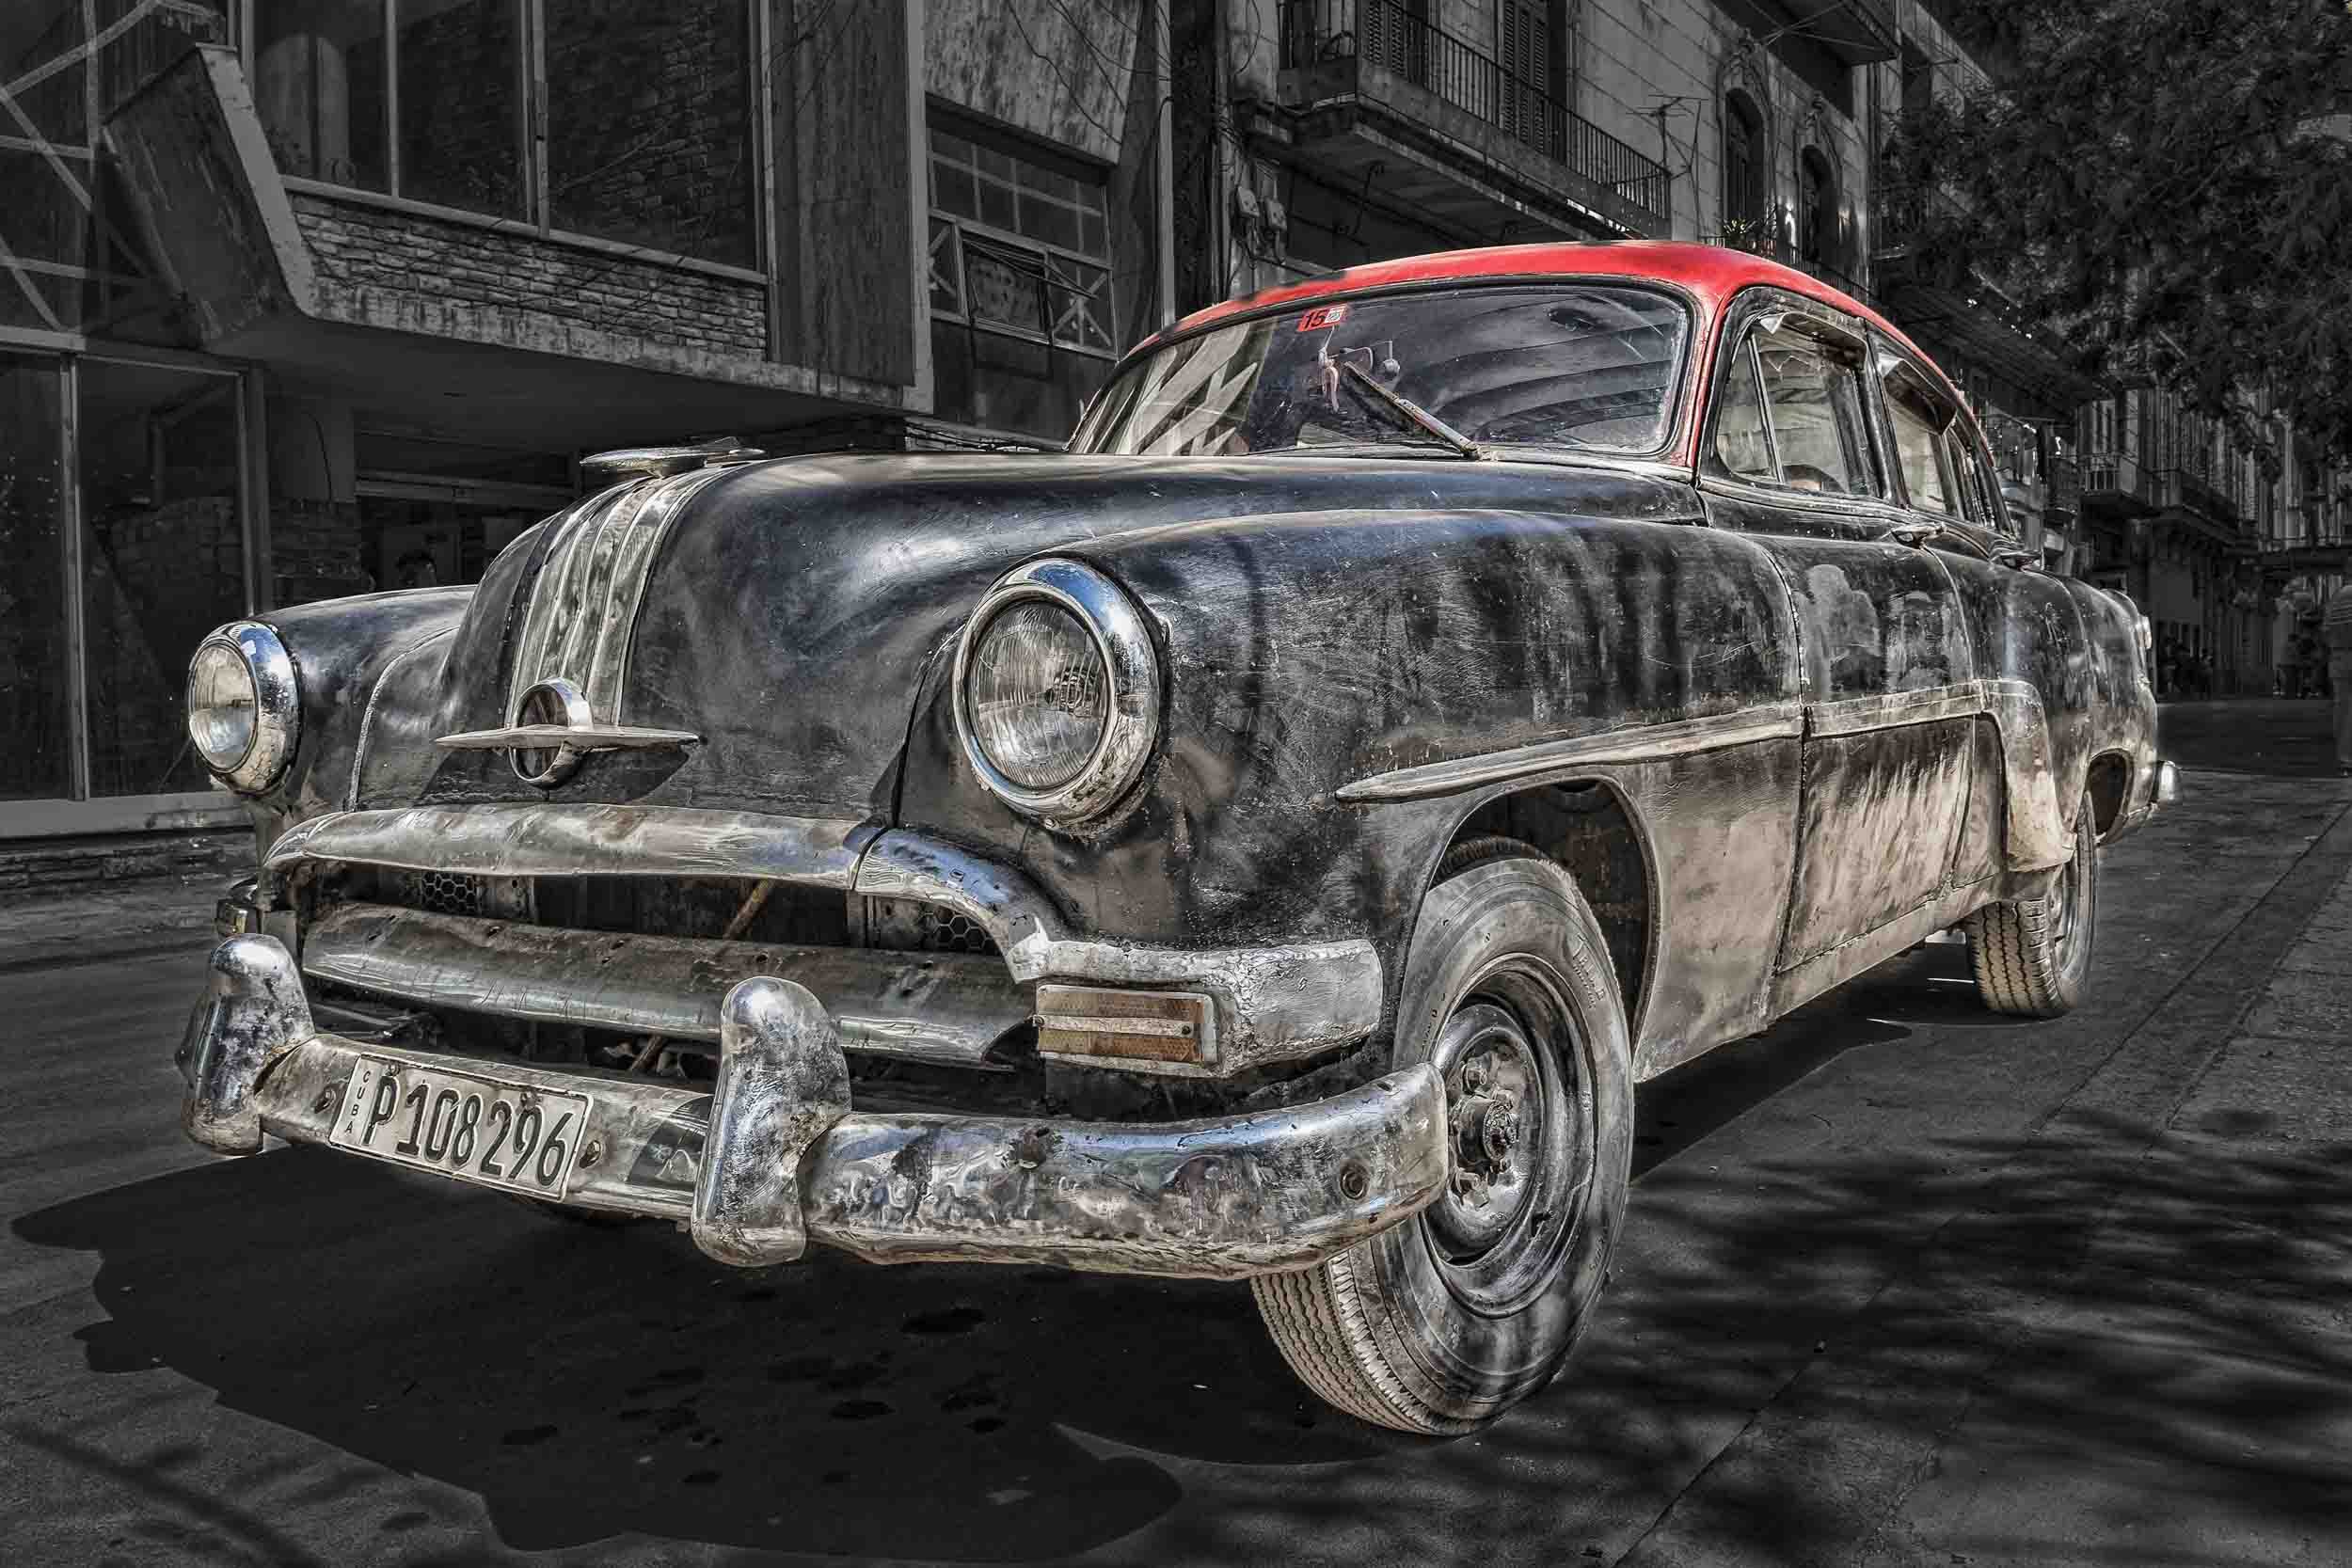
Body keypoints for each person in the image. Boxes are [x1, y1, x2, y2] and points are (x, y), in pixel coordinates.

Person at [2326, 588, 2352, 776]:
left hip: (2339, 655)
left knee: (2341, 707)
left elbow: (2325, 630)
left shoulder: (2338, 597)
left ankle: (2344, 758)